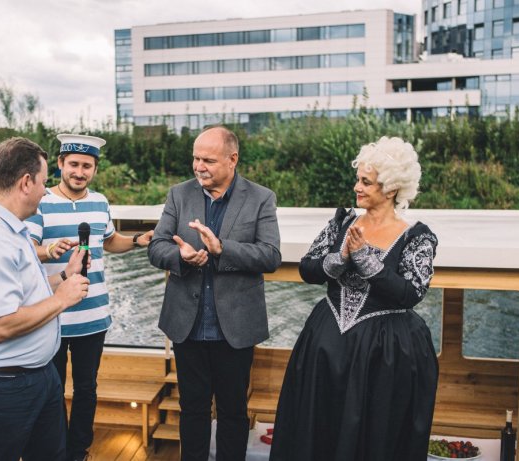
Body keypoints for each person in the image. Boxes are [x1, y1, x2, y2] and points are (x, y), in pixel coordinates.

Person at [269, 136, 439, 461]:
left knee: (376, 434)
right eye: (358, 179)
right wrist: (340, 256)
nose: (356, 187)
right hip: (327, 346)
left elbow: (411, 293)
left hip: (384, 353)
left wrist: (366, 260)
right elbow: (308, 269)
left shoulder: (417, 236)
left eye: (366, 182)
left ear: (390, 189)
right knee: (318, 426)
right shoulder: (342, 222)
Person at [0, 137, 90, 461]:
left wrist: (64, 277)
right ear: (26, 182)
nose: (45, 190)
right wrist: (62, 300)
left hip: (35, 379)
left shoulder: (13, 231)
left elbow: (25, 295)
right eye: (43, 182)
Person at [148, 125, 282, 461]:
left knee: (233, 413)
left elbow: (270, 255)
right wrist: (180, 256)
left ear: (232, 159)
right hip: (187, 326)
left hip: (234, 329)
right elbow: (157, 248)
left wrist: (222, 248)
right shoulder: (179, 194)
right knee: (192, 411)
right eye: (195, 158)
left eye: (207, 159)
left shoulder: (261, 197)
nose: (198, 166)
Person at [25, 133, 153, 461]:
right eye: (73, 165)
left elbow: (110, 242)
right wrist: (49, 249)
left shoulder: (100, 202)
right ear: (60, 165)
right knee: (50, 391)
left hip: (94, 316)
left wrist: (140, 240)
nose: (79, 172)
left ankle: (77, 451)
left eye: (87, 166)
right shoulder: (41, 203)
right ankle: (50, 452)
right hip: (51, 315)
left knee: (86, 390)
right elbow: (26, 252)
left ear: (94, 168)